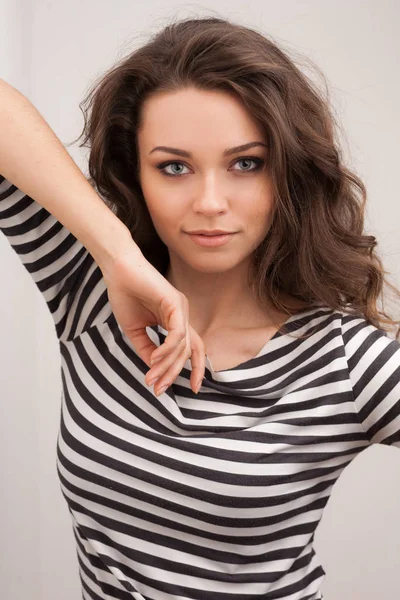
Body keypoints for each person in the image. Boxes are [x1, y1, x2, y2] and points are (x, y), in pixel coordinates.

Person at [1, 14, 399, 600]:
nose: (210, 202)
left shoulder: (346, 360)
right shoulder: (91, 293)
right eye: (174, 167)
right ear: (135, 172)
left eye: (246, 163)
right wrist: (115, 253)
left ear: (286, 172)